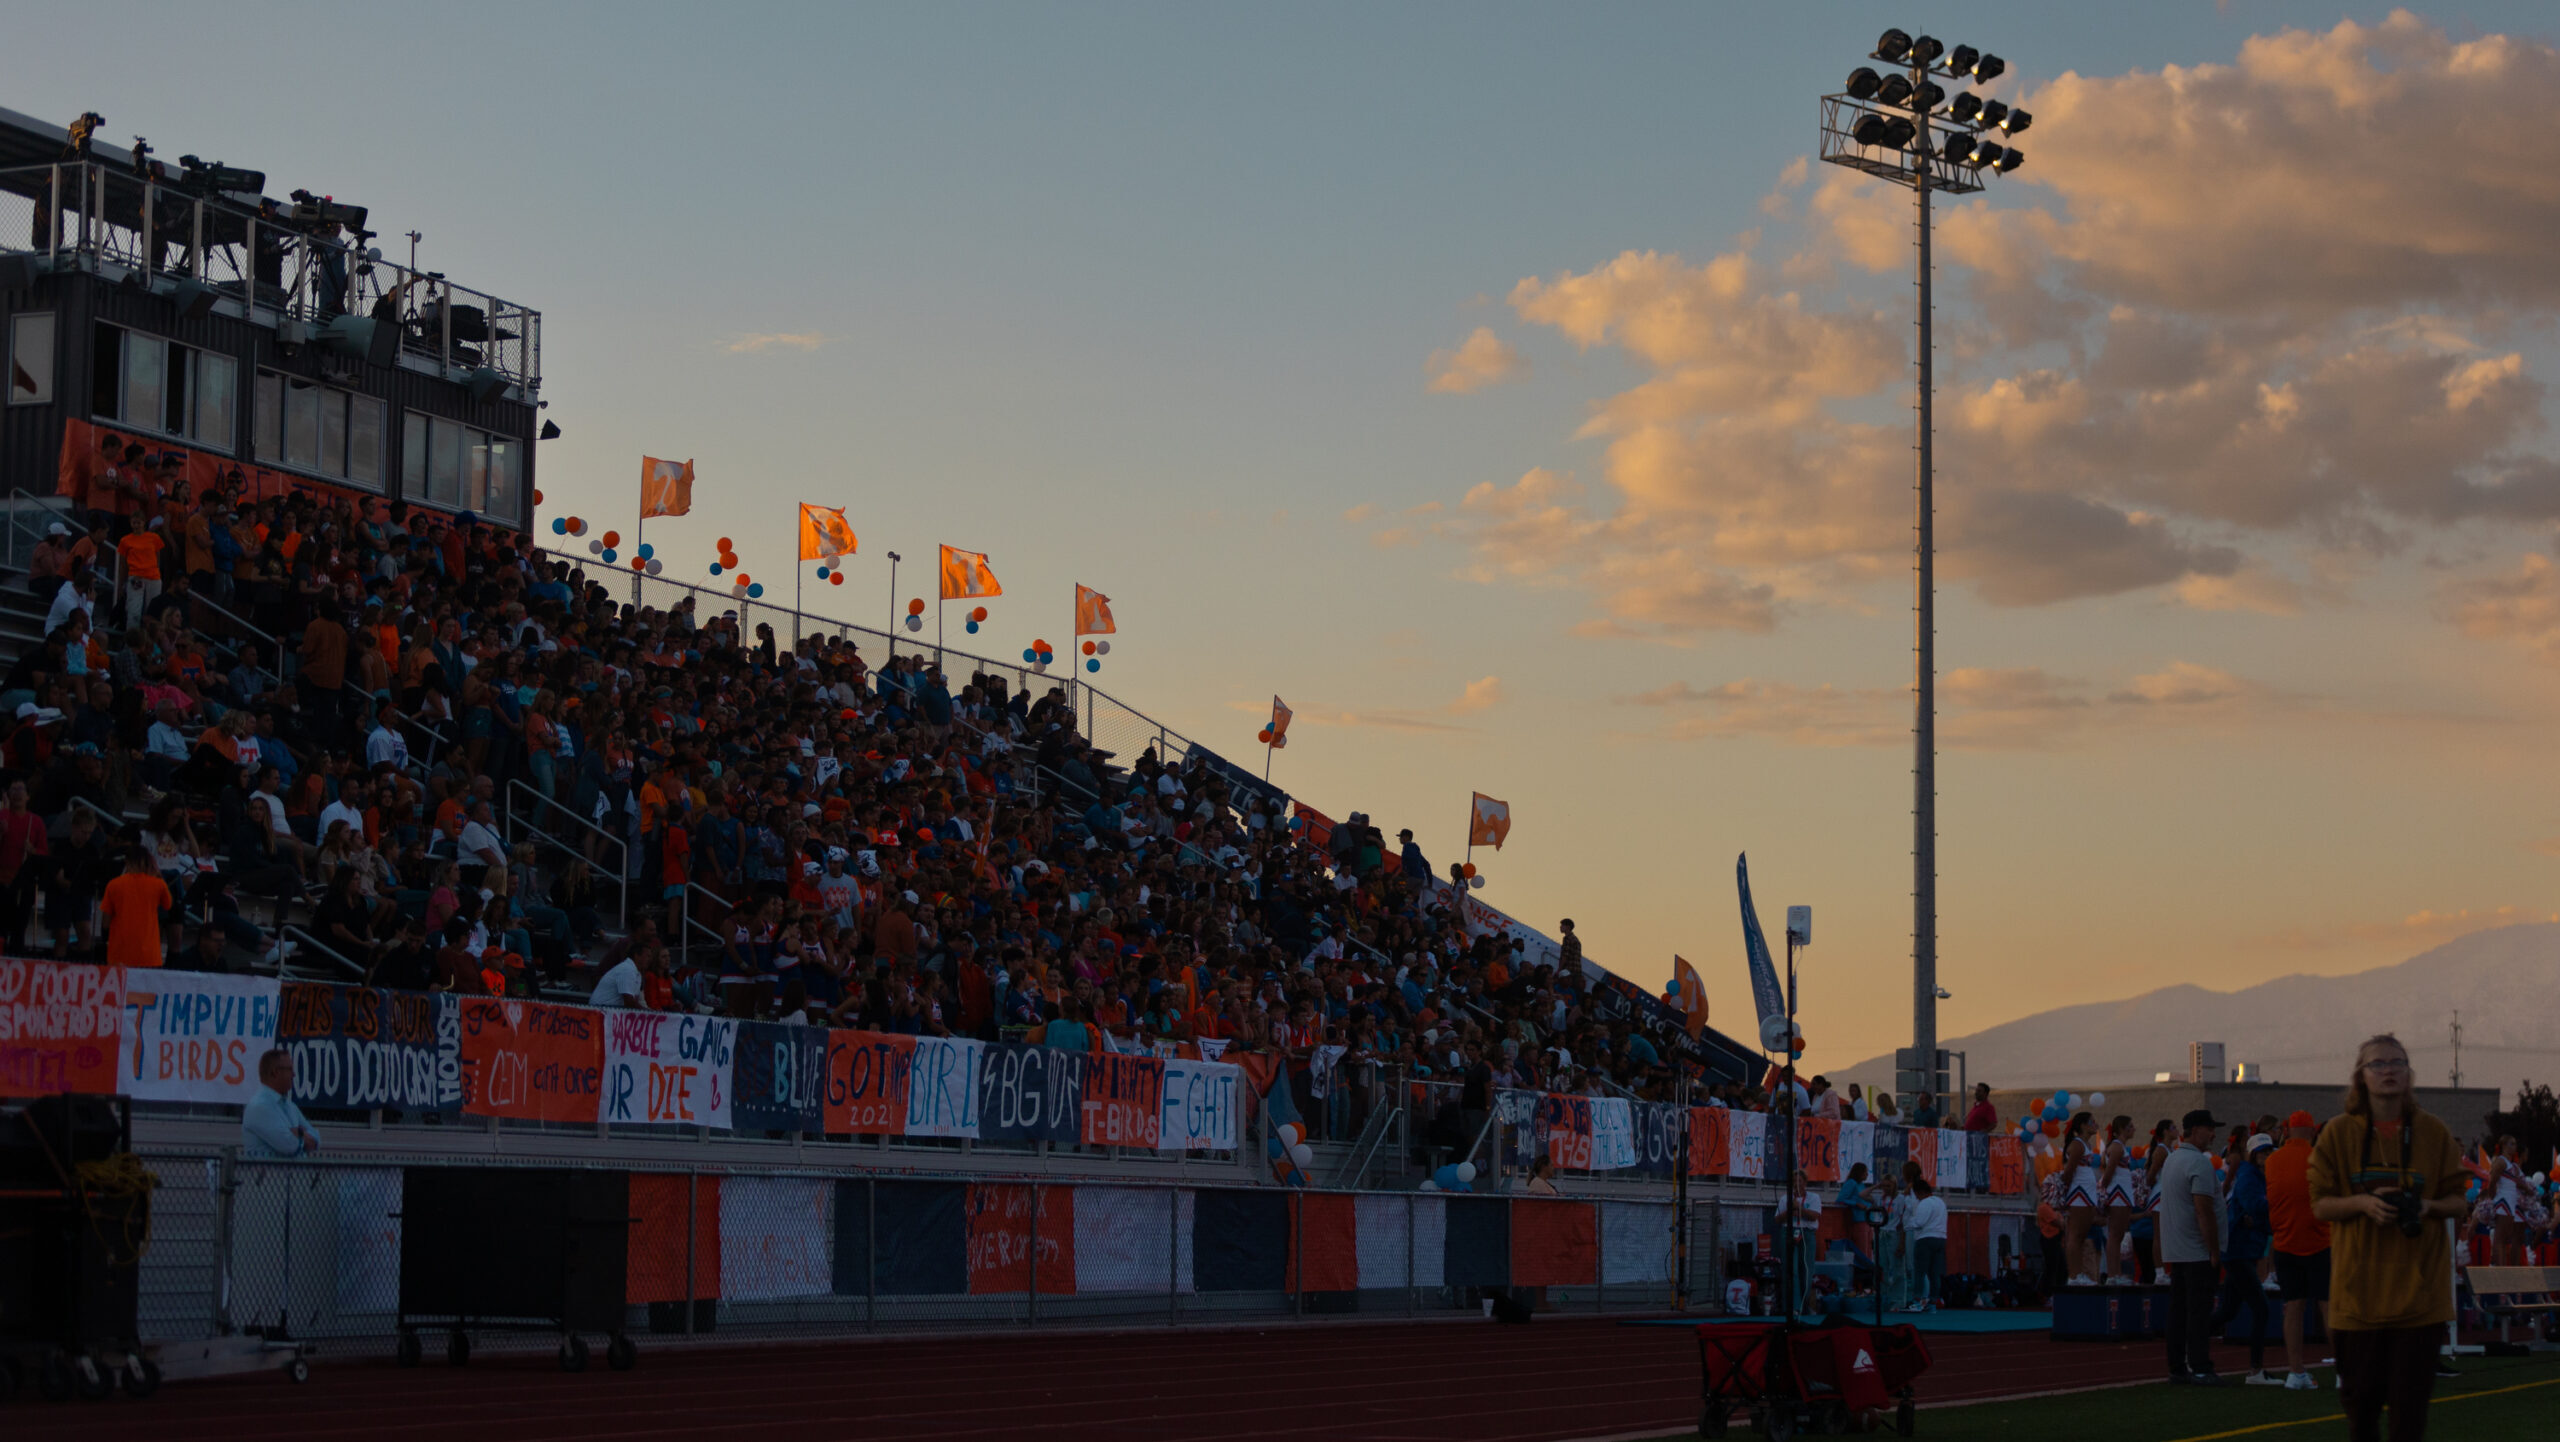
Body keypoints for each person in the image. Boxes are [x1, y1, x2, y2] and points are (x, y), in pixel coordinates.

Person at [2310, 1034, 2470, 1442]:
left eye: (2397, 1062)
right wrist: (2363, 1204)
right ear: (2360, 1077)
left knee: (2408, 1420)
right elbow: (2320, 1205)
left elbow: (2460, 1201)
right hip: (2356, 1299)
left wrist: (2427, 1207)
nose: (2388, 1070)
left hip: (2420, 1301)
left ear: (2409, 1073)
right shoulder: (2337, 1134)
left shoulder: (2433, 1132)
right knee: (2361, 1417)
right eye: (2377, 1064)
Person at [2158, 1107, 2228, 1385]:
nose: (2213, 1134)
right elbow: (2203, 1210)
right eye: (2209, 1128)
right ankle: (2200, 1366)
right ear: (2195, 1130)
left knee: (2178, 1311)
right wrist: (2213, 1249)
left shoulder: (2172, 1160)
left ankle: (2177, 1367)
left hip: (2178, 1249)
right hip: (2197, 1250)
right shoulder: (2198, 1163)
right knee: (2198, 1312)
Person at [2212, 1132, 2280, 1385]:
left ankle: (2189, 1344)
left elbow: (2258, 1211)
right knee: (2261, 1309)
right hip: (2240, 1250)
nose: (2266, 1156)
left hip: (2244, 1249)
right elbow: (2256, 1207)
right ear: (2253, 1154)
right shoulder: (2250, 1177)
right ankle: (2255, 1370)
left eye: (2269, 1151)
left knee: (2228, 1311)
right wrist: (2273, 1209)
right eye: (2262, 1152)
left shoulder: (2256, 1176)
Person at [97, 845, 172, 969]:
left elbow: (106, 922)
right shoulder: (158, 884)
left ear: (127, 862)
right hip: (149, 954)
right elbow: (167, 905)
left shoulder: (114, 884)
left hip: (119, 953)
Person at [241, 1048, 320, 1159]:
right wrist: (302, 1134)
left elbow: (316, 1139)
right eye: (290, 1069)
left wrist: (297, 1133)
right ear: (275, 1072)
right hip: (267, 1175)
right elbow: (289, 1146)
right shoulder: (259, 1107)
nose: (294, 1074)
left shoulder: (290, 1106)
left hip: (294, 1175)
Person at [1776, 1168, 1822, 1314]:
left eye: (1799, 1181)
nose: (1796, 1185)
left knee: (1806, 1269)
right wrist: (1790, 1211)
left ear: (1805, 1182)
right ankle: (1792, 1306)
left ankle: (1805, 1305)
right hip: (1789, 1232)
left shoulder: (1814, 1197)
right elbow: (1777, 1219)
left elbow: (1814, 1216)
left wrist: (1800, 1209)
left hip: (1806, 1233)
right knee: (1791, 1269)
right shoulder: (1785, 1199)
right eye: (1794, 1182)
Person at [1905, 1174, 1947, 1312]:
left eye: (1917, 1195)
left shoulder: (1925, 1203)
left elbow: (1919, 1222)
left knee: (1920, 1272)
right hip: (1941, 1238)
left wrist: (1907, 1224)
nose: (1916, 1198)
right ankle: (1933, 1303)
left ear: (1920, 1192)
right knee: (1934, 1273)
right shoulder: (1941, 1202)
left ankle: (1916, 1301)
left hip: (1925, 1239)